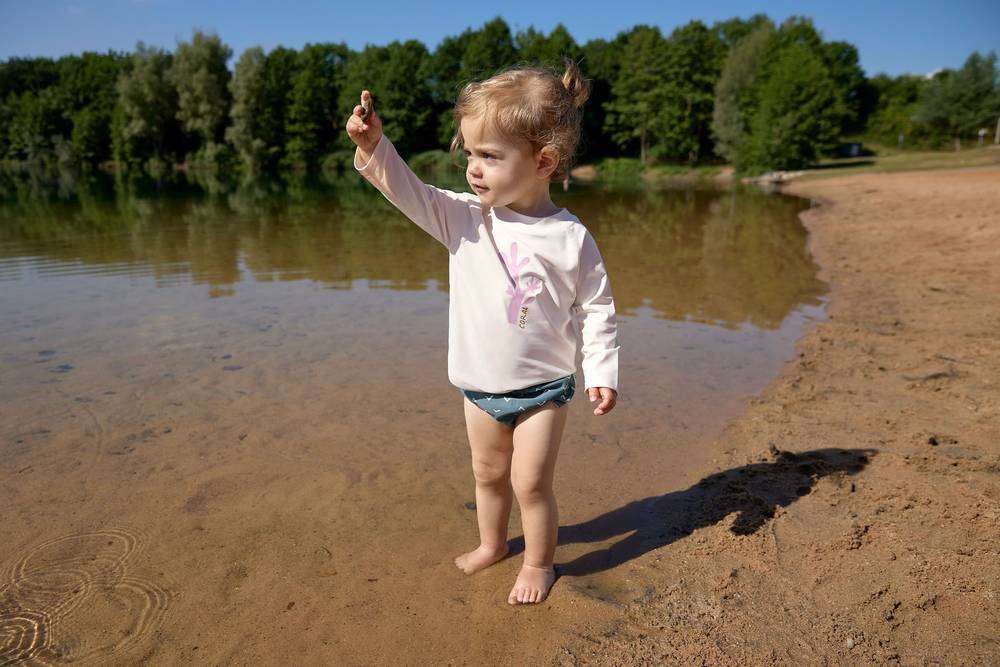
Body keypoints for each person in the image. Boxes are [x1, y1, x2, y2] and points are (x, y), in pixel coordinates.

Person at [345, 58, 619, 605]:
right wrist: (376, 146)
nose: (473, 167)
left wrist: (603, 371)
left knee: (529, 484)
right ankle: (492, 543)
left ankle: (540, 563)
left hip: (544, 388)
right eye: (469, 152)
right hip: (478, 385)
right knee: (488, 474)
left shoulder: (569, 237)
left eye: (490, 156)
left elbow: (597, 306)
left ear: (543, 161)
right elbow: (409, 191)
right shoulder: (464, 218)